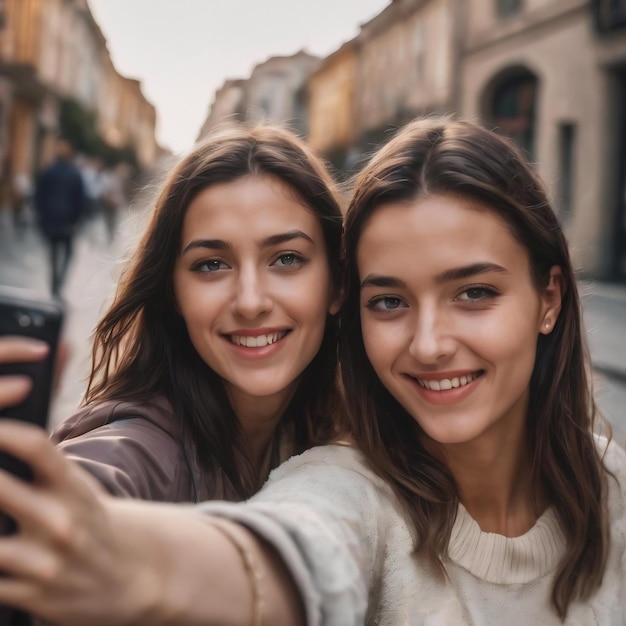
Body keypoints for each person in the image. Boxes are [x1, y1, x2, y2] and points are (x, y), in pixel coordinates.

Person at [0, 117, 624, 625]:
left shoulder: (337, 420)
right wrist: (110, 546)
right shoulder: (341, 483)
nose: (429, 344)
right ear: (172, 293)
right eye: (211, 265)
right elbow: (301, 540)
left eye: (474, 293)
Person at [50, 123, 344, 503]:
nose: (250, 302)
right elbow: (87, 491)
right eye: (211, 265)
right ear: (173, 291)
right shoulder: (141, 453)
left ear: (337, 284)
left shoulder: (336, 434)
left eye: (286, 258)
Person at [34, 138, 87, 298]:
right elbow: (80, 200)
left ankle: (55, 284)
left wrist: (41, 218)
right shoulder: (74, 174)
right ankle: (59, 283)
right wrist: (76, 221)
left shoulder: (49, 171)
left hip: (51, 221)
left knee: (54, 254)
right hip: (67, 222)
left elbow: (39, 196)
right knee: (67, 254)